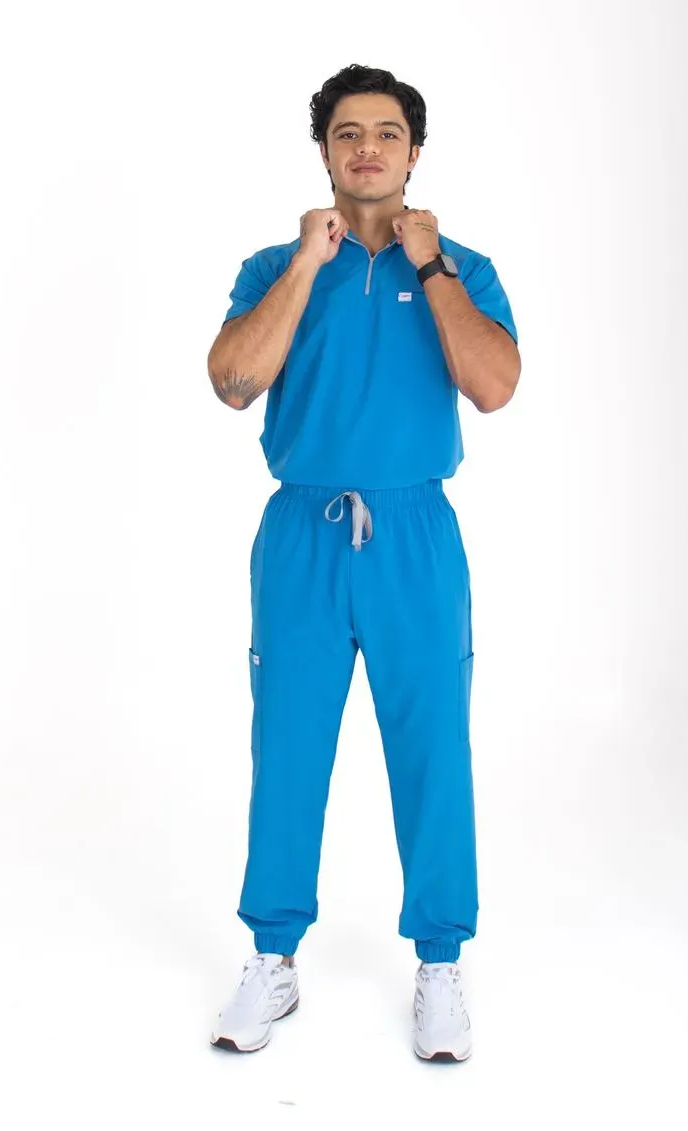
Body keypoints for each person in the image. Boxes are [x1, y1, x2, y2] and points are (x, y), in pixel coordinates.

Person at [206, 64, 520, 1061]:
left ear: (414, 151)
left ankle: (440, 963)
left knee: (433, 750)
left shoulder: (463, 267)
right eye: (349, 133)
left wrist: (433, 269)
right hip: (302, 533)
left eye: (388, 132)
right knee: (288, 747)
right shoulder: (276, 265)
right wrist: (308, 261)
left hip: (415, 537)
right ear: (326, 152)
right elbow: (233, 382)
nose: (368, 148)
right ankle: (272, 956)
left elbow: (494, 386)